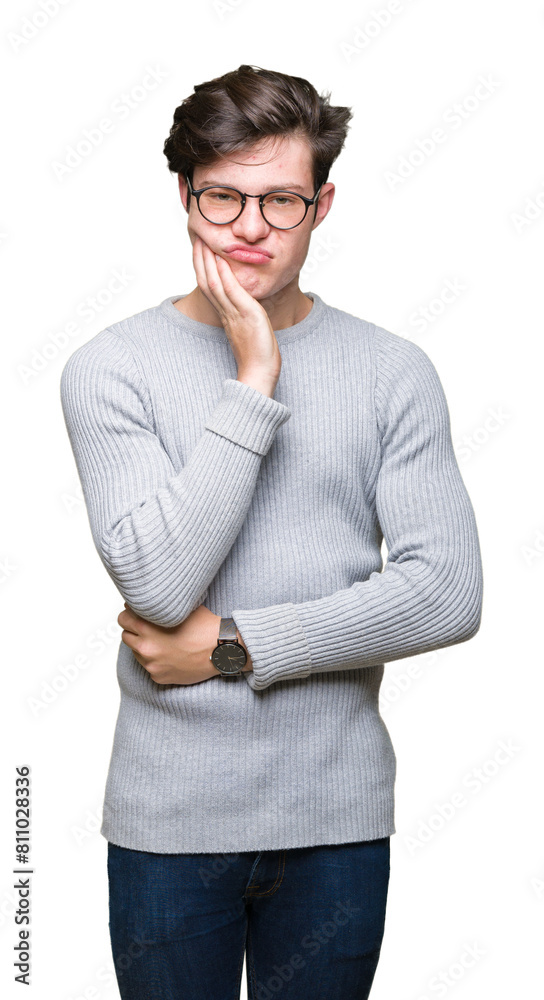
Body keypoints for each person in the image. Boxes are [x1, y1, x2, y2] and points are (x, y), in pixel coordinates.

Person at [60, 64, 484, 1000]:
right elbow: (162, 586)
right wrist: (254, 377)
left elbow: (446, 592)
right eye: (224, 196)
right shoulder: (110, 369)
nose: (250, 227)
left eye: (280, 200)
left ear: (321, 205)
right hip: (169, 828)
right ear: (185, 196)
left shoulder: (391, 371)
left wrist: (237, 647)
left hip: (334, 824)